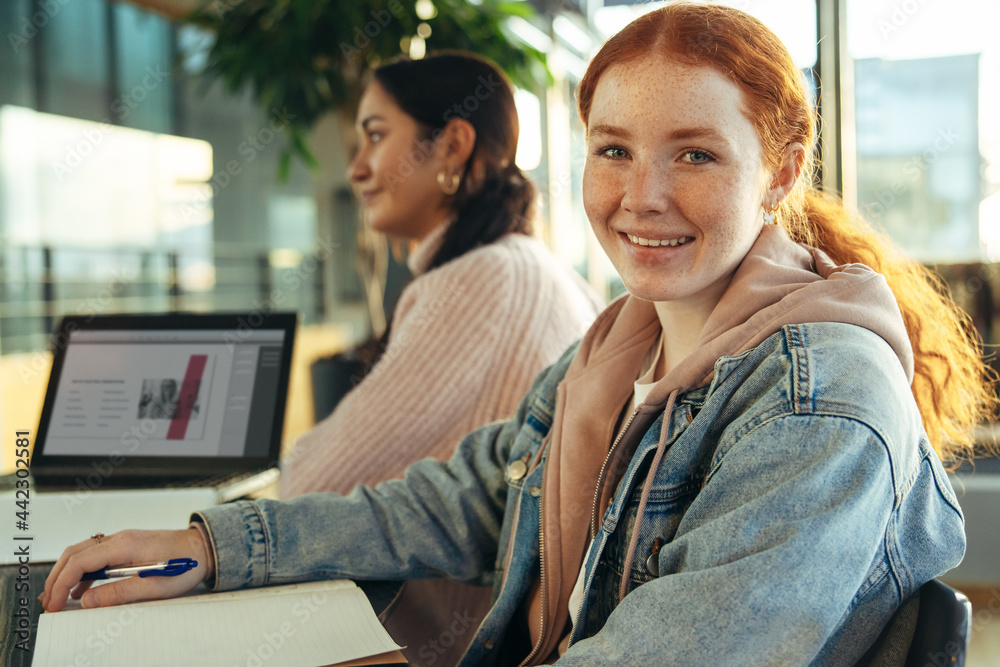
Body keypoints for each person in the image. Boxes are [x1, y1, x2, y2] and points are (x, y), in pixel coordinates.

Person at [42, 5, 995, 665]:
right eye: (613, 150)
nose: (641, 196)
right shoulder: (622, 345)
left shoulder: (819, 404)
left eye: (695, 154)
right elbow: (458, 498)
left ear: (783, 172)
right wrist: (212, 546)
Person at [280, 52, 603, 497]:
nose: (356, 169)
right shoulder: (536, 266)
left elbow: (311, 485)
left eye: (375, 136)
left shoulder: (482, 280)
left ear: (452, 145)